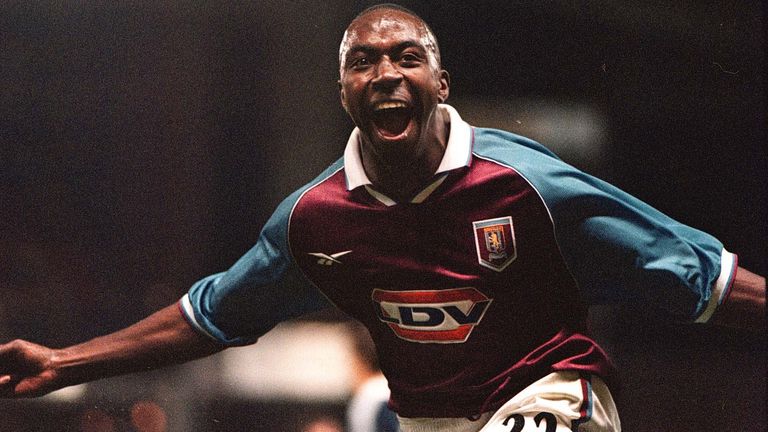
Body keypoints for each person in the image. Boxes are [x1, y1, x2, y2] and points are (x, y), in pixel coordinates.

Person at [0, 4, 764, 431]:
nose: (386, 74)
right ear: (343, 92)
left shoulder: (528, 184)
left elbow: (695, 273)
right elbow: (212, 316)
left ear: (440, 79)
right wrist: (67, 362)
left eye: (406, 57)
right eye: (364, 62)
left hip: (548, 399)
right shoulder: (316, 220)